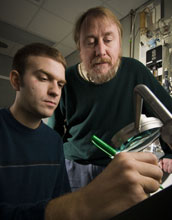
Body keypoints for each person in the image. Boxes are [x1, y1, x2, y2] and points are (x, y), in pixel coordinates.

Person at [0, 43, 163, 220]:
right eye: (43, 78)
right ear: (16, 80)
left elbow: (60, 198)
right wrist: (82, 203)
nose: (55, 91)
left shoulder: (54, 141)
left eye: (60, 84)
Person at [54, 6, 172, 192]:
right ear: (80, 48)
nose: (101, 50)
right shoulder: (64, 79)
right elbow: (53, 132)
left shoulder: (135, 71)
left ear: (119, 44)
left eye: (108, 40)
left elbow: (168, 114)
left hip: (121, 164)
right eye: (91, 42)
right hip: (73, 167)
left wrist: (170, 153)